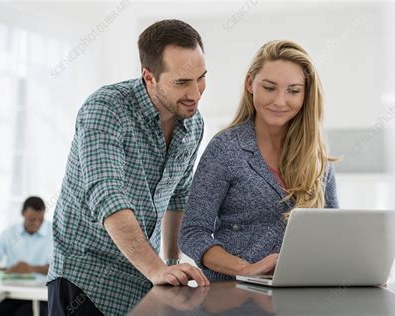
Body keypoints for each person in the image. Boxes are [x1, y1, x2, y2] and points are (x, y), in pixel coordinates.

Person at [47, 19, 209, 316]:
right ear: (149, 76)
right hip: (86, 282)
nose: (196, 94)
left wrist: (170, 265)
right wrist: (157, 268)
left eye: (201, 78)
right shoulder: (106, 109)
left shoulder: (193, 124)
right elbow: (108, 195)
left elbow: (178, 197)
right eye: (182, 82)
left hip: (144, 283)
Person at [180, 40, 339, 281]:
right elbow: (192, 233)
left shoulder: (316, 157)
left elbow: (333, 233)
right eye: (269, 87)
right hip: (233, 295)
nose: (279, 101)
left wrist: (354, 270)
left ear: (306, 94)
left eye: (293, 91)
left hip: (298, 294)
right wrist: (244, 268)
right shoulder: (225, 148)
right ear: (250, 84)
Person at [0, 196, 52, 315]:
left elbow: (63, 268)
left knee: (24, 313)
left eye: (40, 219)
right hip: (12, 294)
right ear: (23, 213)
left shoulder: (54, 233)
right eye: (32, 219)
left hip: (42, 297)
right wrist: (8, 270)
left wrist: (32, 269)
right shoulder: (10, 233)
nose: (37, 223)